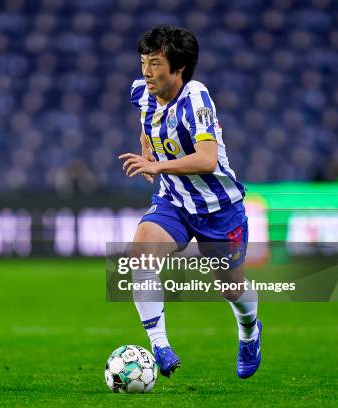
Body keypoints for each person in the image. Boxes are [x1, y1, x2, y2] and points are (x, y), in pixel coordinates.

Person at [118, 25, 262, 379]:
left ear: (178, 68)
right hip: (175, 203)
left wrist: (157, 164)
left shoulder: (197, 97)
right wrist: (147, 150)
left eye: (155, 63)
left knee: (230, 285)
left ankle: (249, 331)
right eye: (143, 62)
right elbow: (146, 125)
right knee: (140, 254)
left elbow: (207, 159)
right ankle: (160, 345)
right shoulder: (143, 92)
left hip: (219, 209)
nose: (146, 72)